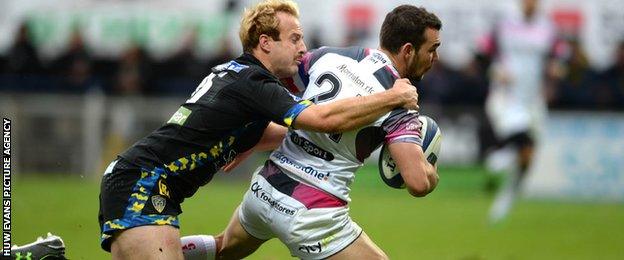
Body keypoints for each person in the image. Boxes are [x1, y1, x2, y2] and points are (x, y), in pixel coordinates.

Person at [97, 0, 420, 259]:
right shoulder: (256, 83)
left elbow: (284, 130)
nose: (303, 48)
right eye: (294, 39)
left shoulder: (242, 76)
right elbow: (322, 120)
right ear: (265, 42)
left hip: (145, 181)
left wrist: (248, 141)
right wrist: (392, 96)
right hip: (145, 183)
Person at [182, 5, 442, 259]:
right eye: (432, 49)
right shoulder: (400, 104)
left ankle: (155, 251)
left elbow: (266, 88)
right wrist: (430, 168)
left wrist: (248, 137)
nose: (435, 58)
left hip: (264, 190)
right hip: (313, 213)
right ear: (408, 51)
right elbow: (417, 183)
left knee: (222, 247)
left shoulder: (329, 56)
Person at [481, 0, 559, 223]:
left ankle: (504, 197)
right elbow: (483, 54)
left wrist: (555, 72)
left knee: (527, 158)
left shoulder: (547, 28)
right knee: (521, 140)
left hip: (533, 100)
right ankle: (495, 161)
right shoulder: (503, 24)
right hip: (506, 97)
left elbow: (560, 57)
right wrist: (495, 71)